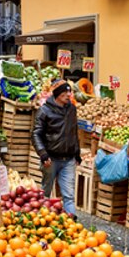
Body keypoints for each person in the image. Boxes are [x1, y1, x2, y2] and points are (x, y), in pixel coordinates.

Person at [32, 79, 81, 216]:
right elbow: (36, 134)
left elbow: (73, 131)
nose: (68, 94)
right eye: (65, 92)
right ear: (58, 94)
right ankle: (41, 221)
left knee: (69, 196)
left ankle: (72, 224)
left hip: (68, 159)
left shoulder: (72, 109)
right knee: (45, 193)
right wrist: (43, 154)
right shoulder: (44, 111)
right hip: (51, 159)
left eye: (69, 91)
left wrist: (77, 153)